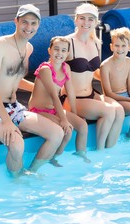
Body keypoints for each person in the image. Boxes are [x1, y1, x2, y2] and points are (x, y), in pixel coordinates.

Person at [0, 4, 64, 176]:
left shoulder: (28, 48)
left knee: (56, 133)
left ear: (38, 25)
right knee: (17, 145)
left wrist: (40, 90)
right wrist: (6, 121)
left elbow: (14, 78)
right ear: (16, 21)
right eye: (24, 22)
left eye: (33, 23)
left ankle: (31, 172)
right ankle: (16, 181)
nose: (28, 27)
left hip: (14, 107)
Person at [61, 3, 124, 150]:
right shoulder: (67, 42)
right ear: (75, 20)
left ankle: (110, 149)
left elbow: (92, 71)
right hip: (72, 99)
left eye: (91, 19)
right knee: (108, 111)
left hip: (91, 94)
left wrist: (113, 79)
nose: (86, 23)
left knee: (119, 111)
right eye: (82, 18)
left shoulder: (95, 43)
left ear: (96, 22)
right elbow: (52, 70)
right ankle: (100, 151)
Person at [28, 36, 91, 165]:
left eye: (63, 50)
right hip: (39, 110)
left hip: (54, 109)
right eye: (56, 49)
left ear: (67, 54)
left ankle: (81, 155)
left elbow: (71, 92)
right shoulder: (45, 69)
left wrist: (74, 114)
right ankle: (52, 158)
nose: (59, 53)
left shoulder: (65, 67)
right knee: (66, 131)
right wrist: (63, 119)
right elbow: (53, 95)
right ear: (49, 50)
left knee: (83, 126)